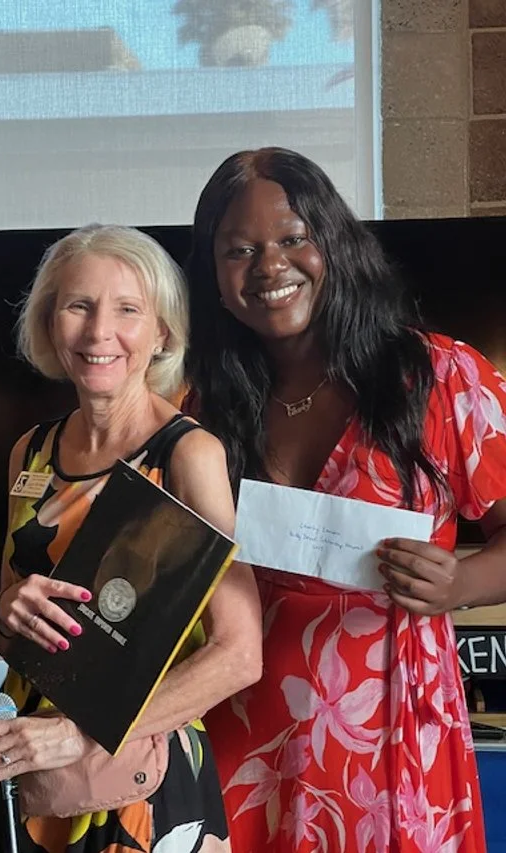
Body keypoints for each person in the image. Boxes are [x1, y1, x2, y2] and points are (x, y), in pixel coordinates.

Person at [184, 147, 506, 853]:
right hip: (239, 731)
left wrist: (462, 583)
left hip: (388, 732)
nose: (269, 266)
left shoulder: (441, 377)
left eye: (293, 238)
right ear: (212, 275)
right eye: (240, 250)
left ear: (335, 242)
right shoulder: (202, 407)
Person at [0, 223, 263, 853]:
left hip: (136, 778)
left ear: (162, 333)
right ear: (50, 323)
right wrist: (6, 610)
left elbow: (240, 654)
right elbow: (10, 632)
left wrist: (80, 732)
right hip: (29, 764)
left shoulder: (188, 455)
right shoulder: (31, 452)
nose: (99, 331)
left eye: (128, 309)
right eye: (79, 305)